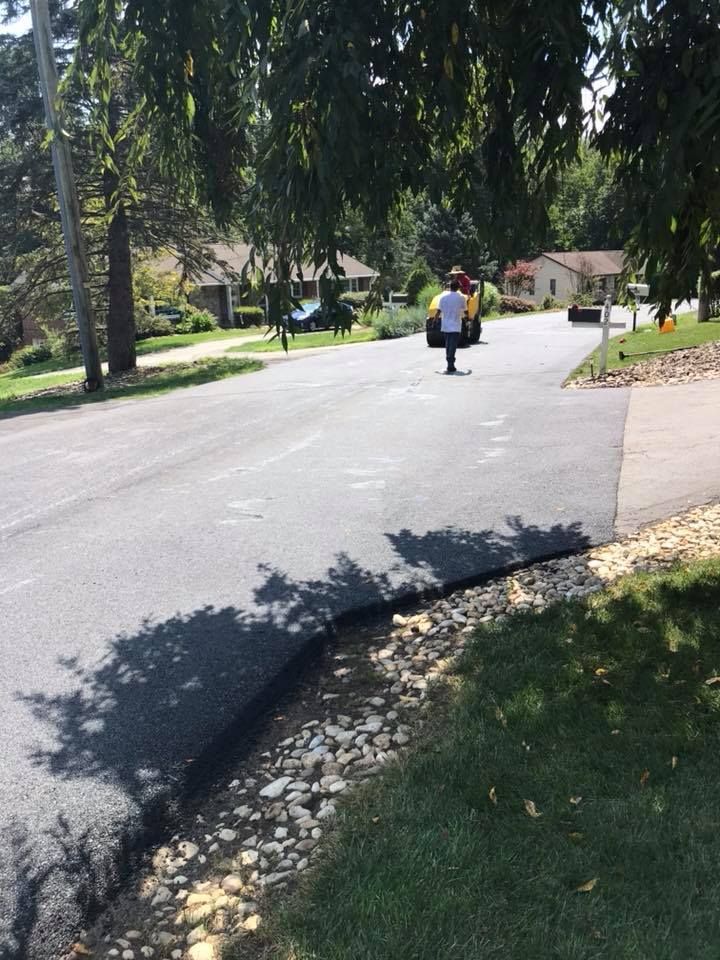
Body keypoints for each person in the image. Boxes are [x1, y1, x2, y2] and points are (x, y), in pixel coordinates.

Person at [435, 279, 466, 374]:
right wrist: (468, 318)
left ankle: (449, 361)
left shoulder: (443, 298)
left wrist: (434, 320)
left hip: (446, 325)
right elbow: (465, 310)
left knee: (448, 344)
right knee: (453, 345)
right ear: (458, 288)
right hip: (456, 324)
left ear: (449, 287)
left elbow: (438, 311)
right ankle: (450, 363)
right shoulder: (461, 298)